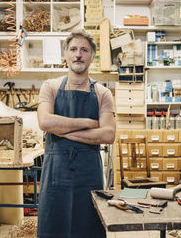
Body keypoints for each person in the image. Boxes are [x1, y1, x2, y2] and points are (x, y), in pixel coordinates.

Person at [37, 30, 116, 238]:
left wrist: (63, 132)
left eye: (84, 50)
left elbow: (108, 134)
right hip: (56, 174)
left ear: (92, 56)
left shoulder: (102, 93)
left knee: (88, 228)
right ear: (66, 54)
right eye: (73, 49)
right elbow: (45, 121)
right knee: (54, 227)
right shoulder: (51, 87)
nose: (78, 54)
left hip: (88, 174)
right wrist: (86, 123)